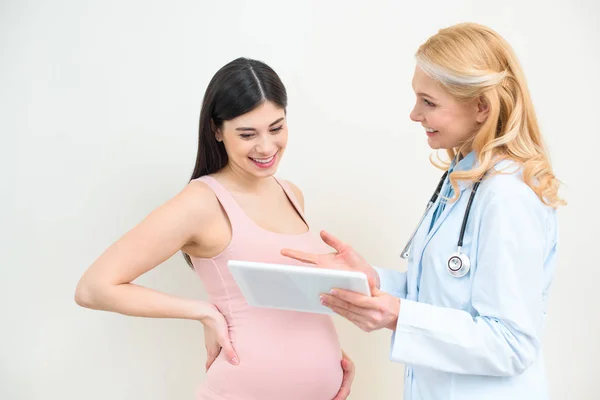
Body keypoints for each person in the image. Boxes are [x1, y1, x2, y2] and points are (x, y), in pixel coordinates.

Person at [282, 23, 564, 400]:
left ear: (481, 106)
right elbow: (446, 294)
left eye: (428, 102)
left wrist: (399, 316)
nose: (415, 114)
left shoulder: (508, 196)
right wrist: (373, 282)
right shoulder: (463, 178)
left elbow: (511, 343)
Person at [74, 57, 354, 400]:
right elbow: (93, 287)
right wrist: (203, 312)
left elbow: (290, 305)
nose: (266, 147)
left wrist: (328, 355)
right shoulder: (202, 202)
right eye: (247, 134)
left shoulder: (291, 194)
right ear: (216, 130)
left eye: (277, 128)